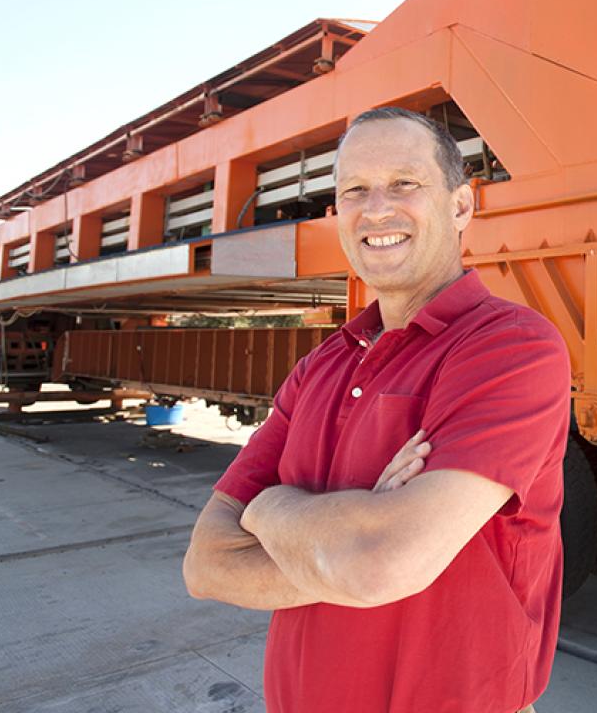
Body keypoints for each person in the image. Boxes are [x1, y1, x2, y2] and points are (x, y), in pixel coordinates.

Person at [182, 106, 572, 713]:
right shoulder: (317, 368)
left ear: (461, 206)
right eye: (355, 190)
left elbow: (381, 566)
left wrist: (270, 508)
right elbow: (206, 564)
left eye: (404, 183)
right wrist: (355, 538)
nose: (376, 209)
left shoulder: (510, 347)